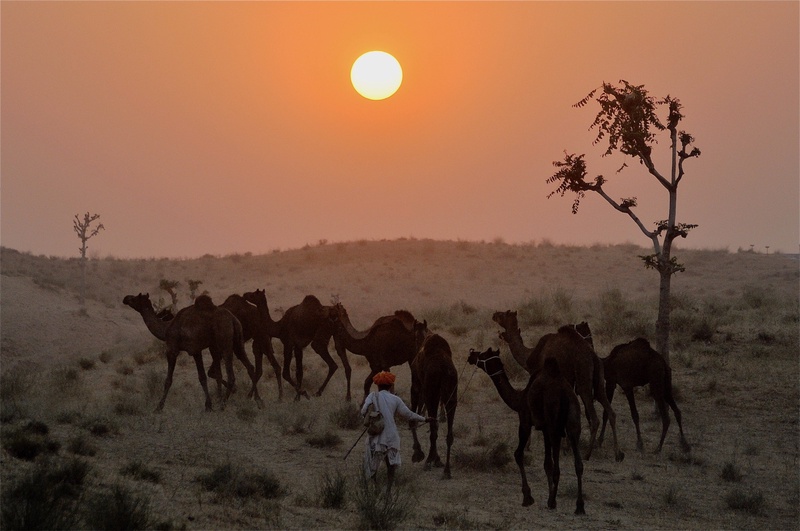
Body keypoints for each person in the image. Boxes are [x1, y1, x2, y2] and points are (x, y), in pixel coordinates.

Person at [360, 371, 431, 493]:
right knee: (391, 466)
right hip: (391, 437)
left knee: (372, 465)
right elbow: (408, 415)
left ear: (377, 385)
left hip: (376, 436)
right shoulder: (396, 399)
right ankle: (388, 491)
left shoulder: (372, 396)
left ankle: (376, 487)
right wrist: (425, 419)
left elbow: (363, 411)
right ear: (391, 386)